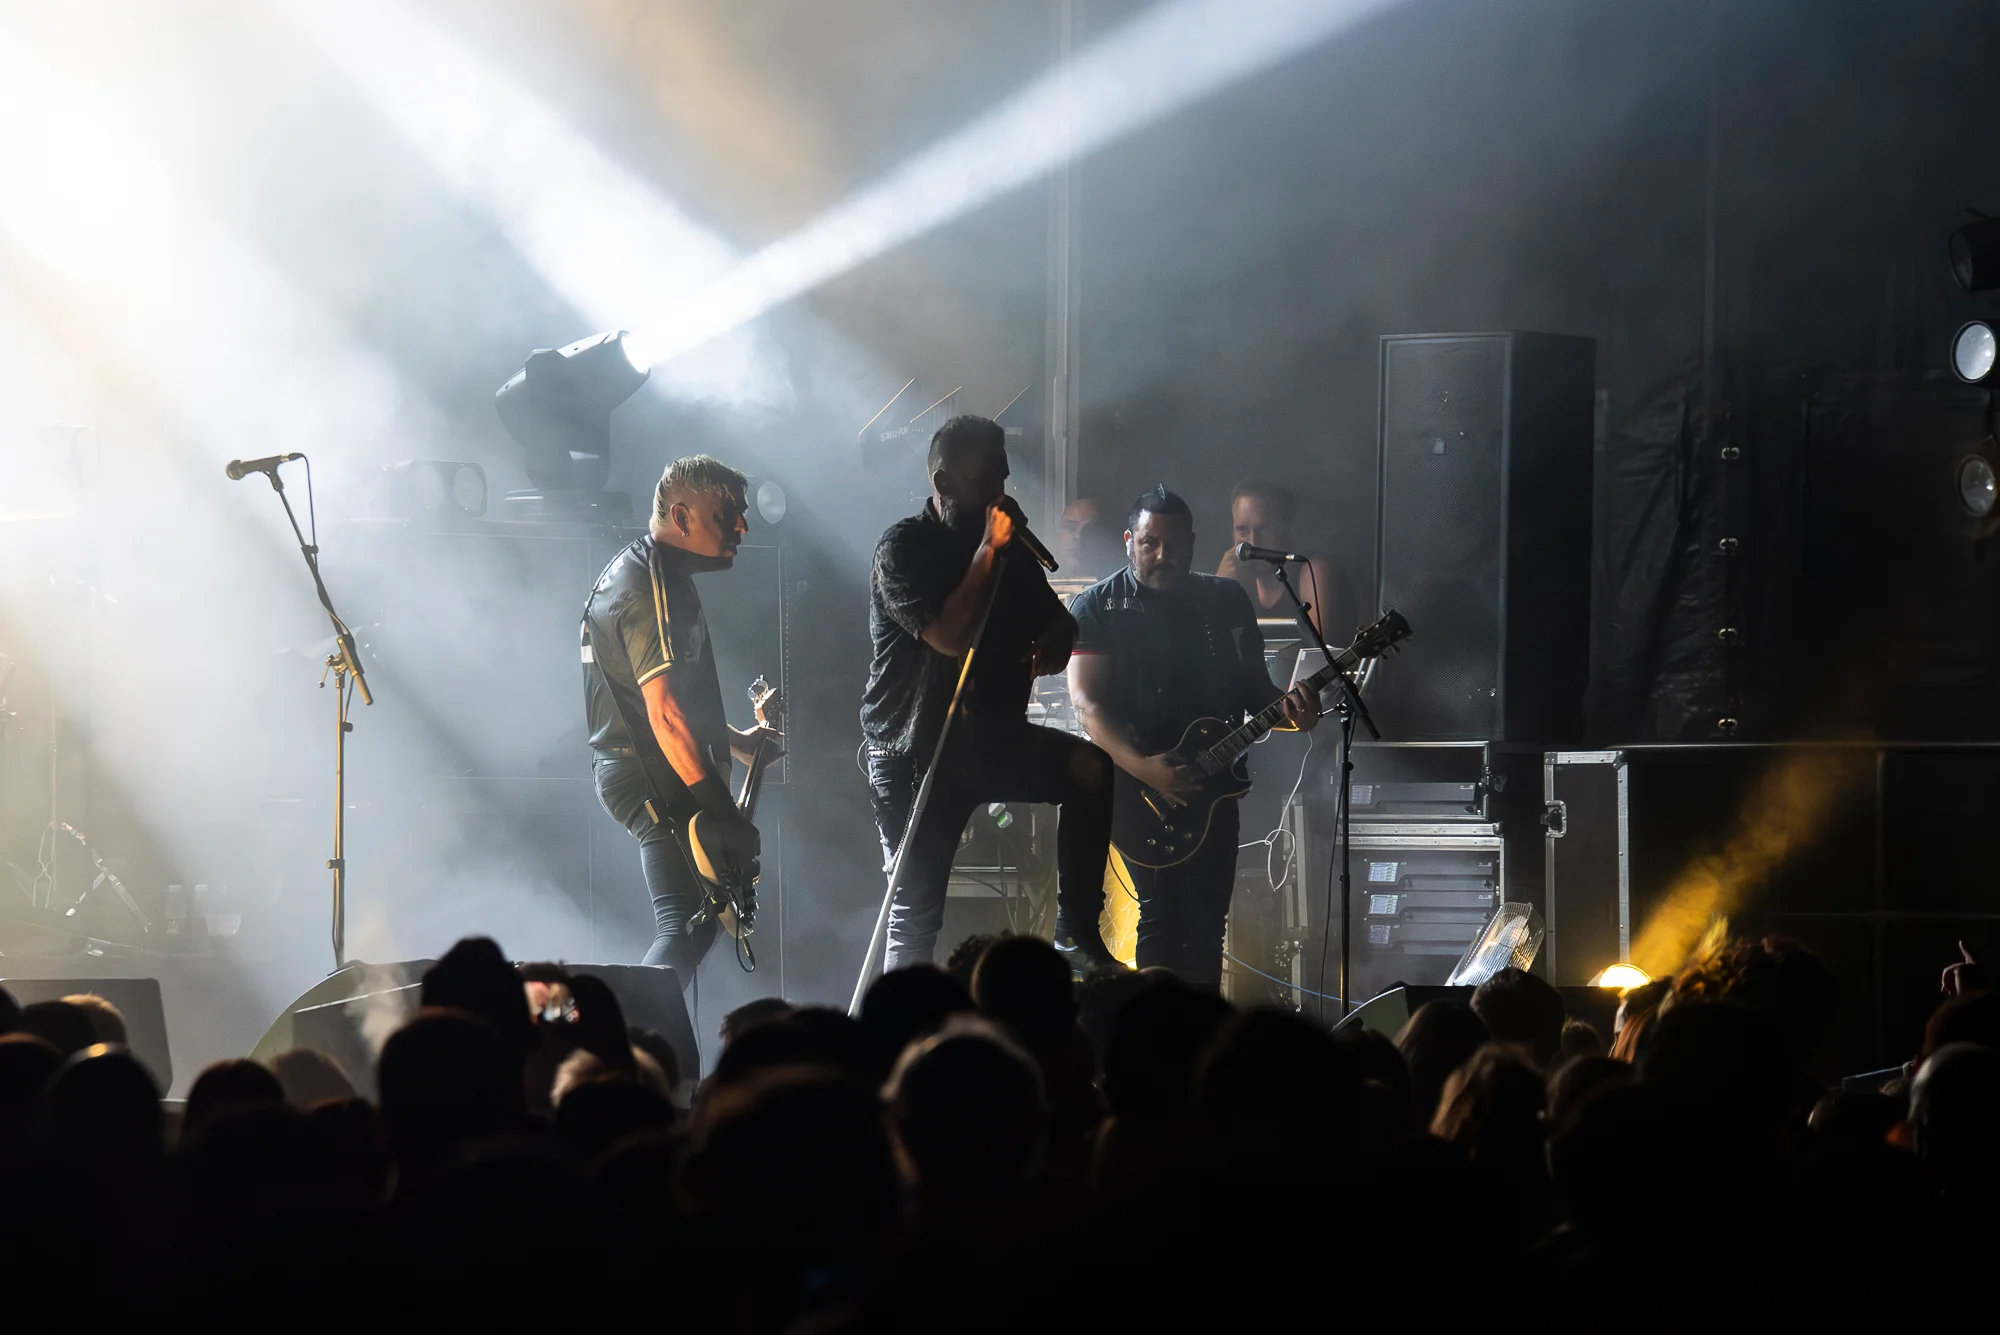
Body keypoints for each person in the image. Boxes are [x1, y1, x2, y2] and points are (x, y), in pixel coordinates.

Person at [861, 415, 1117, 971]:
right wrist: (987, 549)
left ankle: (1075, 935)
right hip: (916, 752)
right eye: (983, 481)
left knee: (1091, 770)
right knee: (915, 911)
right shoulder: (905, 547)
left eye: (1002, 477)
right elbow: (949, 636)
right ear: (943, 483)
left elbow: (1056, 618)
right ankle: (900, 1010)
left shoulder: (1011, 554)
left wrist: (1058, 635)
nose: (998, 493)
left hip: (990, 741)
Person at [1066, 487, 1320, 989]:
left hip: (1214, 788)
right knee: (1160, 919)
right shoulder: (1097, 606)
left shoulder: (1224, 600)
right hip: (1137, 790)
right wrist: (1147, 768)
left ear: (1194, 544)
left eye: (1176, 545)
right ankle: (1153, 1029)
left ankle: (1199, 1030)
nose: (1165, 555)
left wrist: (1298, 716)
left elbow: (1257, 692)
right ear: (1129, 541)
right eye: (1150, 543)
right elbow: (1087, 706)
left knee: (1207, 926)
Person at [582, 455, 783, 979]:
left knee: (697, 927)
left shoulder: (658, 572)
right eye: (727, 514)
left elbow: (663, 702)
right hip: (649, 773)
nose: (742, 526)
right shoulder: (652, 585)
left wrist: (736, 741)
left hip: (649, 766)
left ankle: (650, 1024)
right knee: (682, 928)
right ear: (681, 515)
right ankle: (637, 1026)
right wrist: (726, 816)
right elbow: (666, 717)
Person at [1213, 476, 1358, 649]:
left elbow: (1317, 654)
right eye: (1242, 530)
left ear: (1285, 528)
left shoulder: (1313, 570)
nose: (1253, 542)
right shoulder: (1234, 580)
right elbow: (1208, 646)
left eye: (1264, 529)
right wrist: (1218, 589)